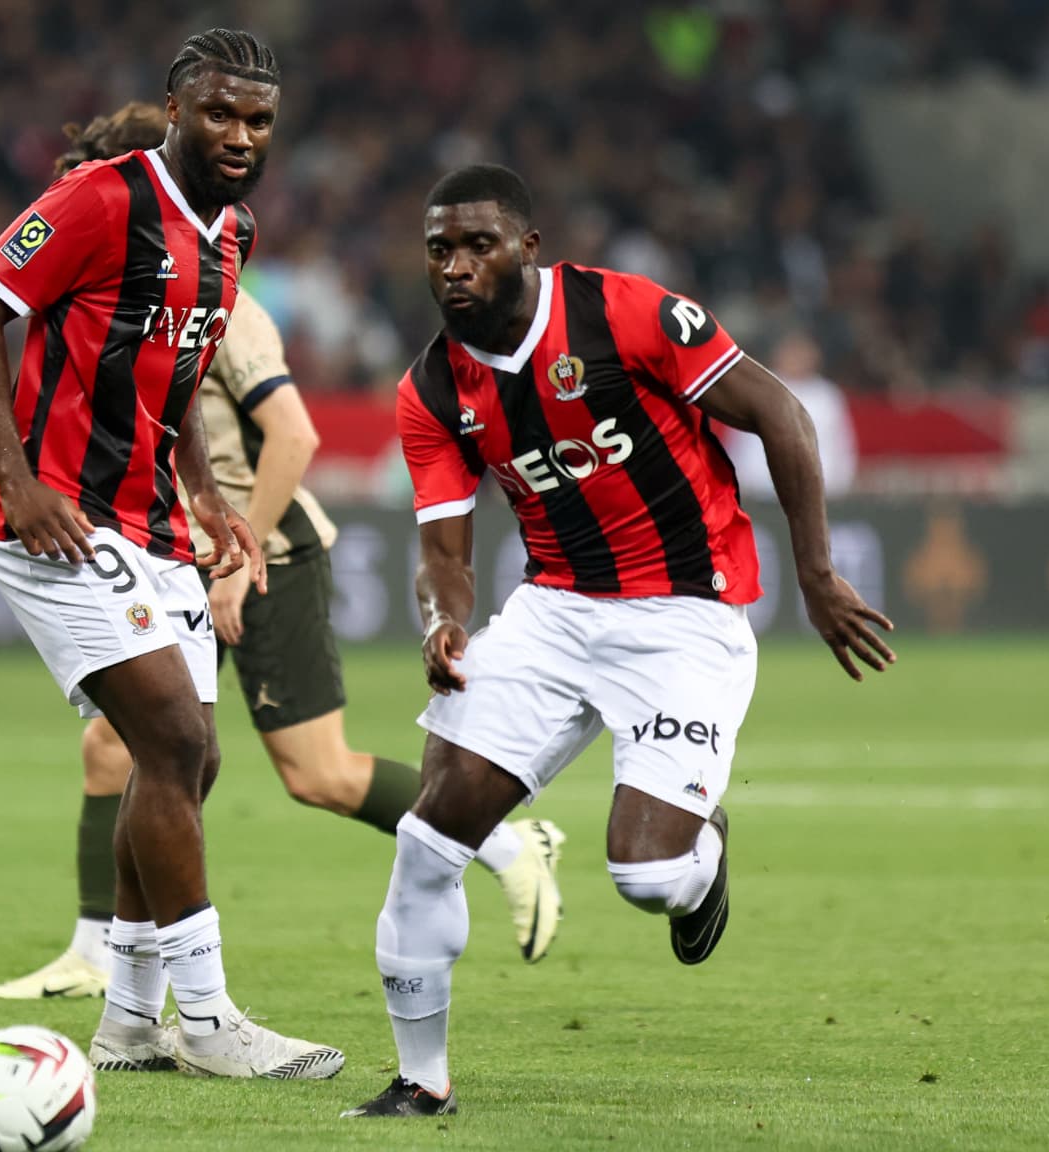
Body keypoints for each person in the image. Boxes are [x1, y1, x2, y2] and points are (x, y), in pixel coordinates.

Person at [342, 166, 897, 1119]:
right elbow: (444, 553)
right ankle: (420, 1083)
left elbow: (781, 413)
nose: (456, 266)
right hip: (555, 609)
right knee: (429, 837)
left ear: (527, 247)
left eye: (478, 245)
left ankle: (703, 855)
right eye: (439, 250)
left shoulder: (622, 312)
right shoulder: (432, 387)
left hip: (685, 612)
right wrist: (442, 620)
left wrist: (815, 574)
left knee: (647, 876)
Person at [0, 104, 567, 1009]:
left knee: (314, 772)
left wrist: (234, 552)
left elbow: (293, 434)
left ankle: (500, 840)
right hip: (164, 546)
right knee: (119, 748)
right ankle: (100, 954)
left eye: (88, 184)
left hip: (262, 551)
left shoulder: (224, 291)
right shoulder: (113, 284)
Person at [0, 31, 343, 1081]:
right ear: (174, 109)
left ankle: (127, 1022)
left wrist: (207, 494)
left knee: (191, 759)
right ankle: (207, 1021)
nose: (240, 135)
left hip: (154, 523)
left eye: (258, 120)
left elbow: (177, 379)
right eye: (219, 113)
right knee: (169, 739)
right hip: (57, 519)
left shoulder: (232, 233)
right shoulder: (98, 198)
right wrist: (16, 478)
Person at [719, 330, 856, 501]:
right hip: (759, 492)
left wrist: (842, 484)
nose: (796, 359)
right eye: (791, 352)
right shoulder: (757, 387)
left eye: (802, 353)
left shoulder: (827, 395)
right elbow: (738, 443)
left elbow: (841, 444)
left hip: (819, 495)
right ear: (778, 354)